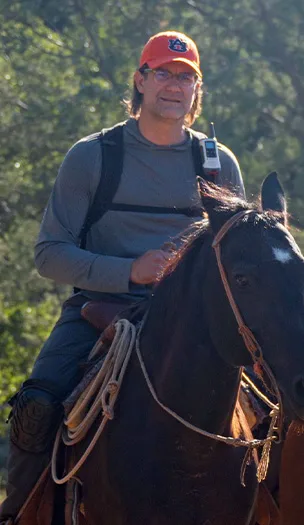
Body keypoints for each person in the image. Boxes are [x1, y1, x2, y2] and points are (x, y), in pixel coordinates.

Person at [0, 30, 244, 523]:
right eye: (162, 73)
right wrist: (129, 270)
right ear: (140, 80)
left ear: (197, 89)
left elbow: (237, 258)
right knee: (38, 406)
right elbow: (49, 254)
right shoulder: (93, 155)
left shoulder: (218, 164)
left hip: (198, 326)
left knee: (283, 408)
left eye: (185, 77)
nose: (173, 85)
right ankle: (17, 513)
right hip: (99, 310)